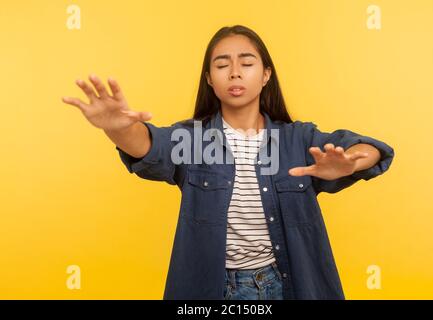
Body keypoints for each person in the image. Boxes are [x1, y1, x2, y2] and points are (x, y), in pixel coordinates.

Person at [62, 25, 394, 300]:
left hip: (286, 285)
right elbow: (149, 147)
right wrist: (117, 128)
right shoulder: (191, 140)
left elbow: (370, 149)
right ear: (209, 78)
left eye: (246, 63)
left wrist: (351, 163)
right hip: (211, 289)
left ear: (265, 75)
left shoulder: (299, 139)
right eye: (222, 65)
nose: (234, 72)